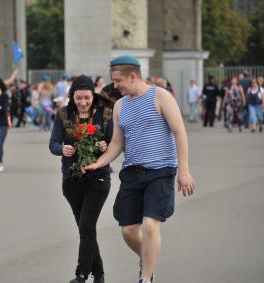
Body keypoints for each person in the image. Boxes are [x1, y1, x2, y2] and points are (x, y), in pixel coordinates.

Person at [84, 55, 195, 283]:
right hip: (132, 173)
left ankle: (146, 278)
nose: (114, 86)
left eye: (117, 81)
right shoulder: (120, 106)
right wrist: (100, 162)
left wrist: (184, 170)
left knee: (150, 226)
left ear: (132, 76)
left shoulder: (160, 96)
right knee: (128, 231)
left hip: (161, 171)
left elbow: (180, 132)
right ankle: (148, 259)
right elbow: (116, 143)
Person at [49, 75, 113, 283]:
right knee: (86, 229)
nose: (83, 102)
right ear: (72, 96)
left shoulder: (104, 114)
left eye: (87, 97)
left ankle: (81, 274)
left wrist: (105, 146)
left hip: (98, 178)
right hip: (72, 179)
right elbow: (53, 144)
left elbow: (115, 143)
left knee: (86, 226)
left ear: (93, 95)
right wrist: (62, 149)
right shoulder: (64, 115)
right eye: (78, 98)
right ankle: (100, 275)